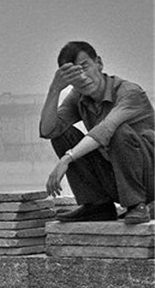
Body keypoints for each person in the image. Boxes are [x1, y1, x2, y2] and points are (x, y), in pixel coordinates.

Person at [39, 41, 154, 224]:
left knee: (119, 131)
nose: (82, 77)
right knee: (61, 135)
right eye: (74, 73)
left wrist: (67, 158)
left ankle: (136, 205)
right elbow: (48, 130)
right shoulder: (78, 97)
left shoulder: (129, 92)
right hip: (116, 176)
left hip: (148, 177)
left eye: (85, 67)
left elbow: (106, 130)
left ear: (98, 63)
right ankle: (97, 205)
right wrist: (55, 89)